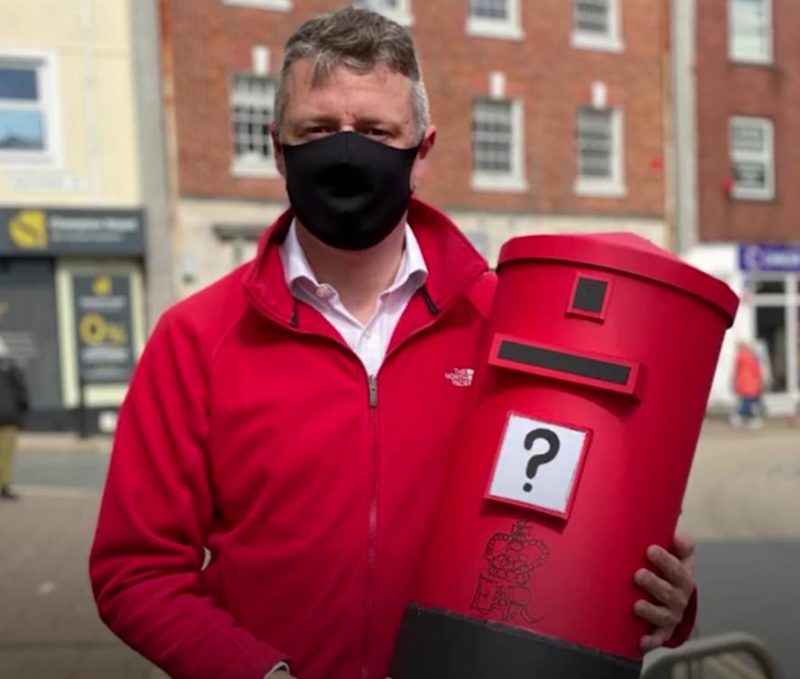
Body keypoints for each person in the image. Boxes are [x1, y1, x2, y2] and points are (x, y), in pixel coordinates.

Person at [89, 8, 697, 679]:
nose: (347, 150)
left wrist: (665, 602)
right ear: (277, 144)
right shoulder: (197, 338)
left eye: (377, 131)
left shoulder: (507, 325)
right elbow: (135, 569)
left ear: (423, 150)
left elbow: (570, 521)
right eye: (319, 128)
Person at [0, 335, 29, 501]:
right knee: (5, 453)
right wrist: (22, 412)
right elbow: (22, 391)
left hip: (7, 415)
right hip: (9, 416)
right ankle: (4, 486)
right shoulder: (11, 366)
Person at [730, 339, 764, 429]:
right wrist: (760, 382)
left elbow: (736, 371)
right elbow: (758, 371)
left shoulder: (740, 357)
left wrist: (734, 382)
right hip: (751, 384)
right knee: (749, 402)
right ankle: (748, 418)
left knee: (747, 402)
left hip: (745, 384)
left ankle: (739, 417)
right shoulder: (753, 357)